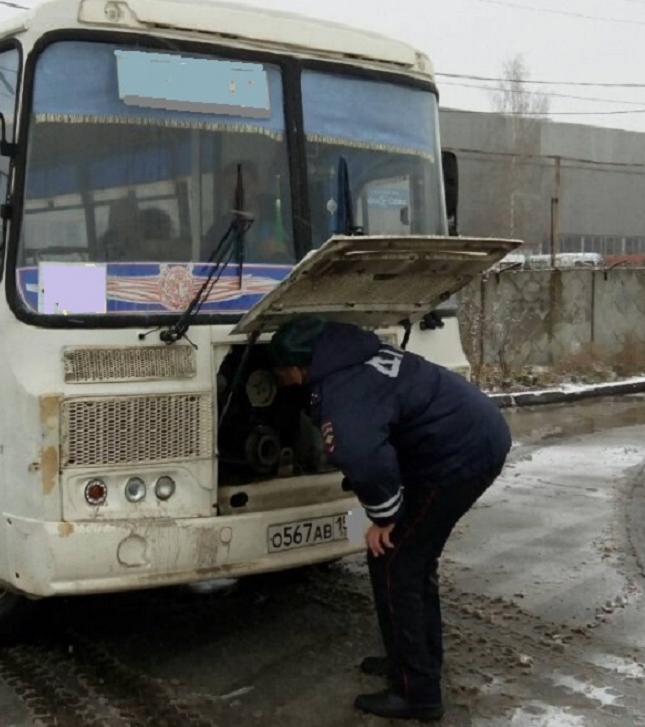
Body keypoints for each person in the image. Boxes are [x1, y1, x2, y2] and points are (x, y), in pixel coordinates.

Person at [269, 317, 512, 722]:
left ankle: (417, 693)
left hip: (456, 457)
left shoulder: (343, 391)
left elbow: (365, 457)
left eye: (283, 375)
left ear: (297, 368)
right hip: (472, 438)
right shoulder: (355, 357)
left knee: (396, 563)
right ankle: (413, 659)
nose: (284, 383)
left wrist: (384, 517)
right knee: (410, 561)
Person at [202, 161, 293, 264]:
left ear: (257, 186)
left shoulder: (282, 219)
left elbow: (307, 258)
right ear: (224, 192)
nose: (237, 192)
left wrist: (283, 251)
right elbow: (205, 268)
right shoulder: (218, 231)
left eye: (244, 185)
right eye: (230, 188)